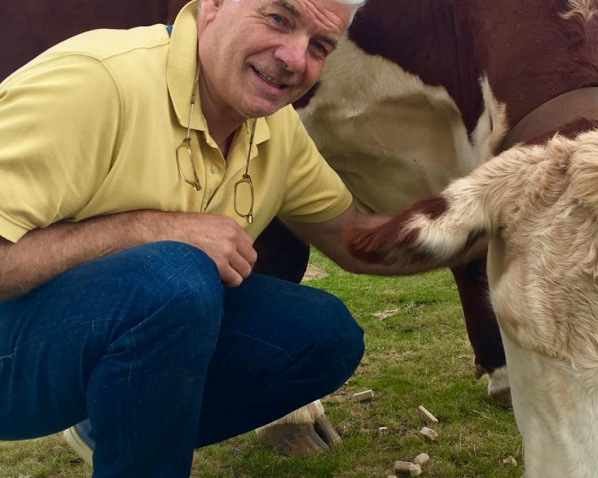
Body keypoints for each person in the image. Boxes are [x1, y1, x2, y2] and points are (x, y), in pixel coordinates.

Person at [0, 0, 476, 476]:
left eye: (319, 45)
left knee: (322, 334)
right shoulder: (95, 81)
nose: (294, 59)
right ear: (213, 5)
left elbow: (354, 236)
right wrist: (150, 229)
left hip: (87, 339)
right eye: (279, 19)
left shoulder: (272, 127)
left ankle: (107, 423)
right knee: (176, 276)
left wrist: (492, 217)